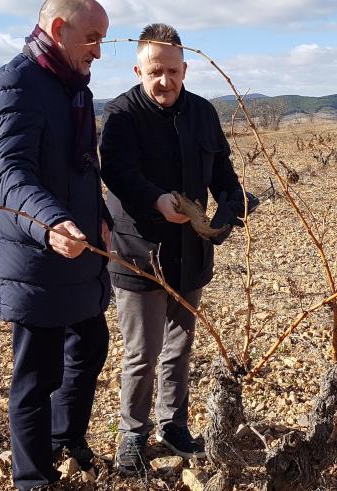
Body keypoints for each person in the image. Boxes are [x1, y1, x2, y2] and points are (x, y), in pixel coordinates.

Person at [99, 23, 249, 475]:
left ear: (185, 68)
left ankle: (173, 424)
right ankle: (133, 433)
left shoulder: (203, 113)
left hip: (191, 252)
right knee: (142, 352)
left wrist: (233, 204)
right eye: (155, 72)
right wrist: (156, 200)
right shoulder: (122, 114)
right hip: (139, 254)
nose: (165, 81)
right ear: (138, 69)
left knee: (180, 346)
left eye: (173, 71)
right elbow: (118, 173)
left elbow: (222, 171)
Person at [0, 1, 112, 489]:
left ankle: (66, 437)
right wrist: (51, 220)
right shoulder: (13, 86)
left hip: (75, 251)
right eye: (93, 38)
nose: (99, 51)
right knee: (38, 372)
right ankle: (32, 478)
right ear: (58, 29)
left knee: (91, 344)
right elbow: (9, 176)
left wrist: (96, 218)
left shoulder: (72, 87)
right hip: (35, 255)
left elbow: (80, 168)